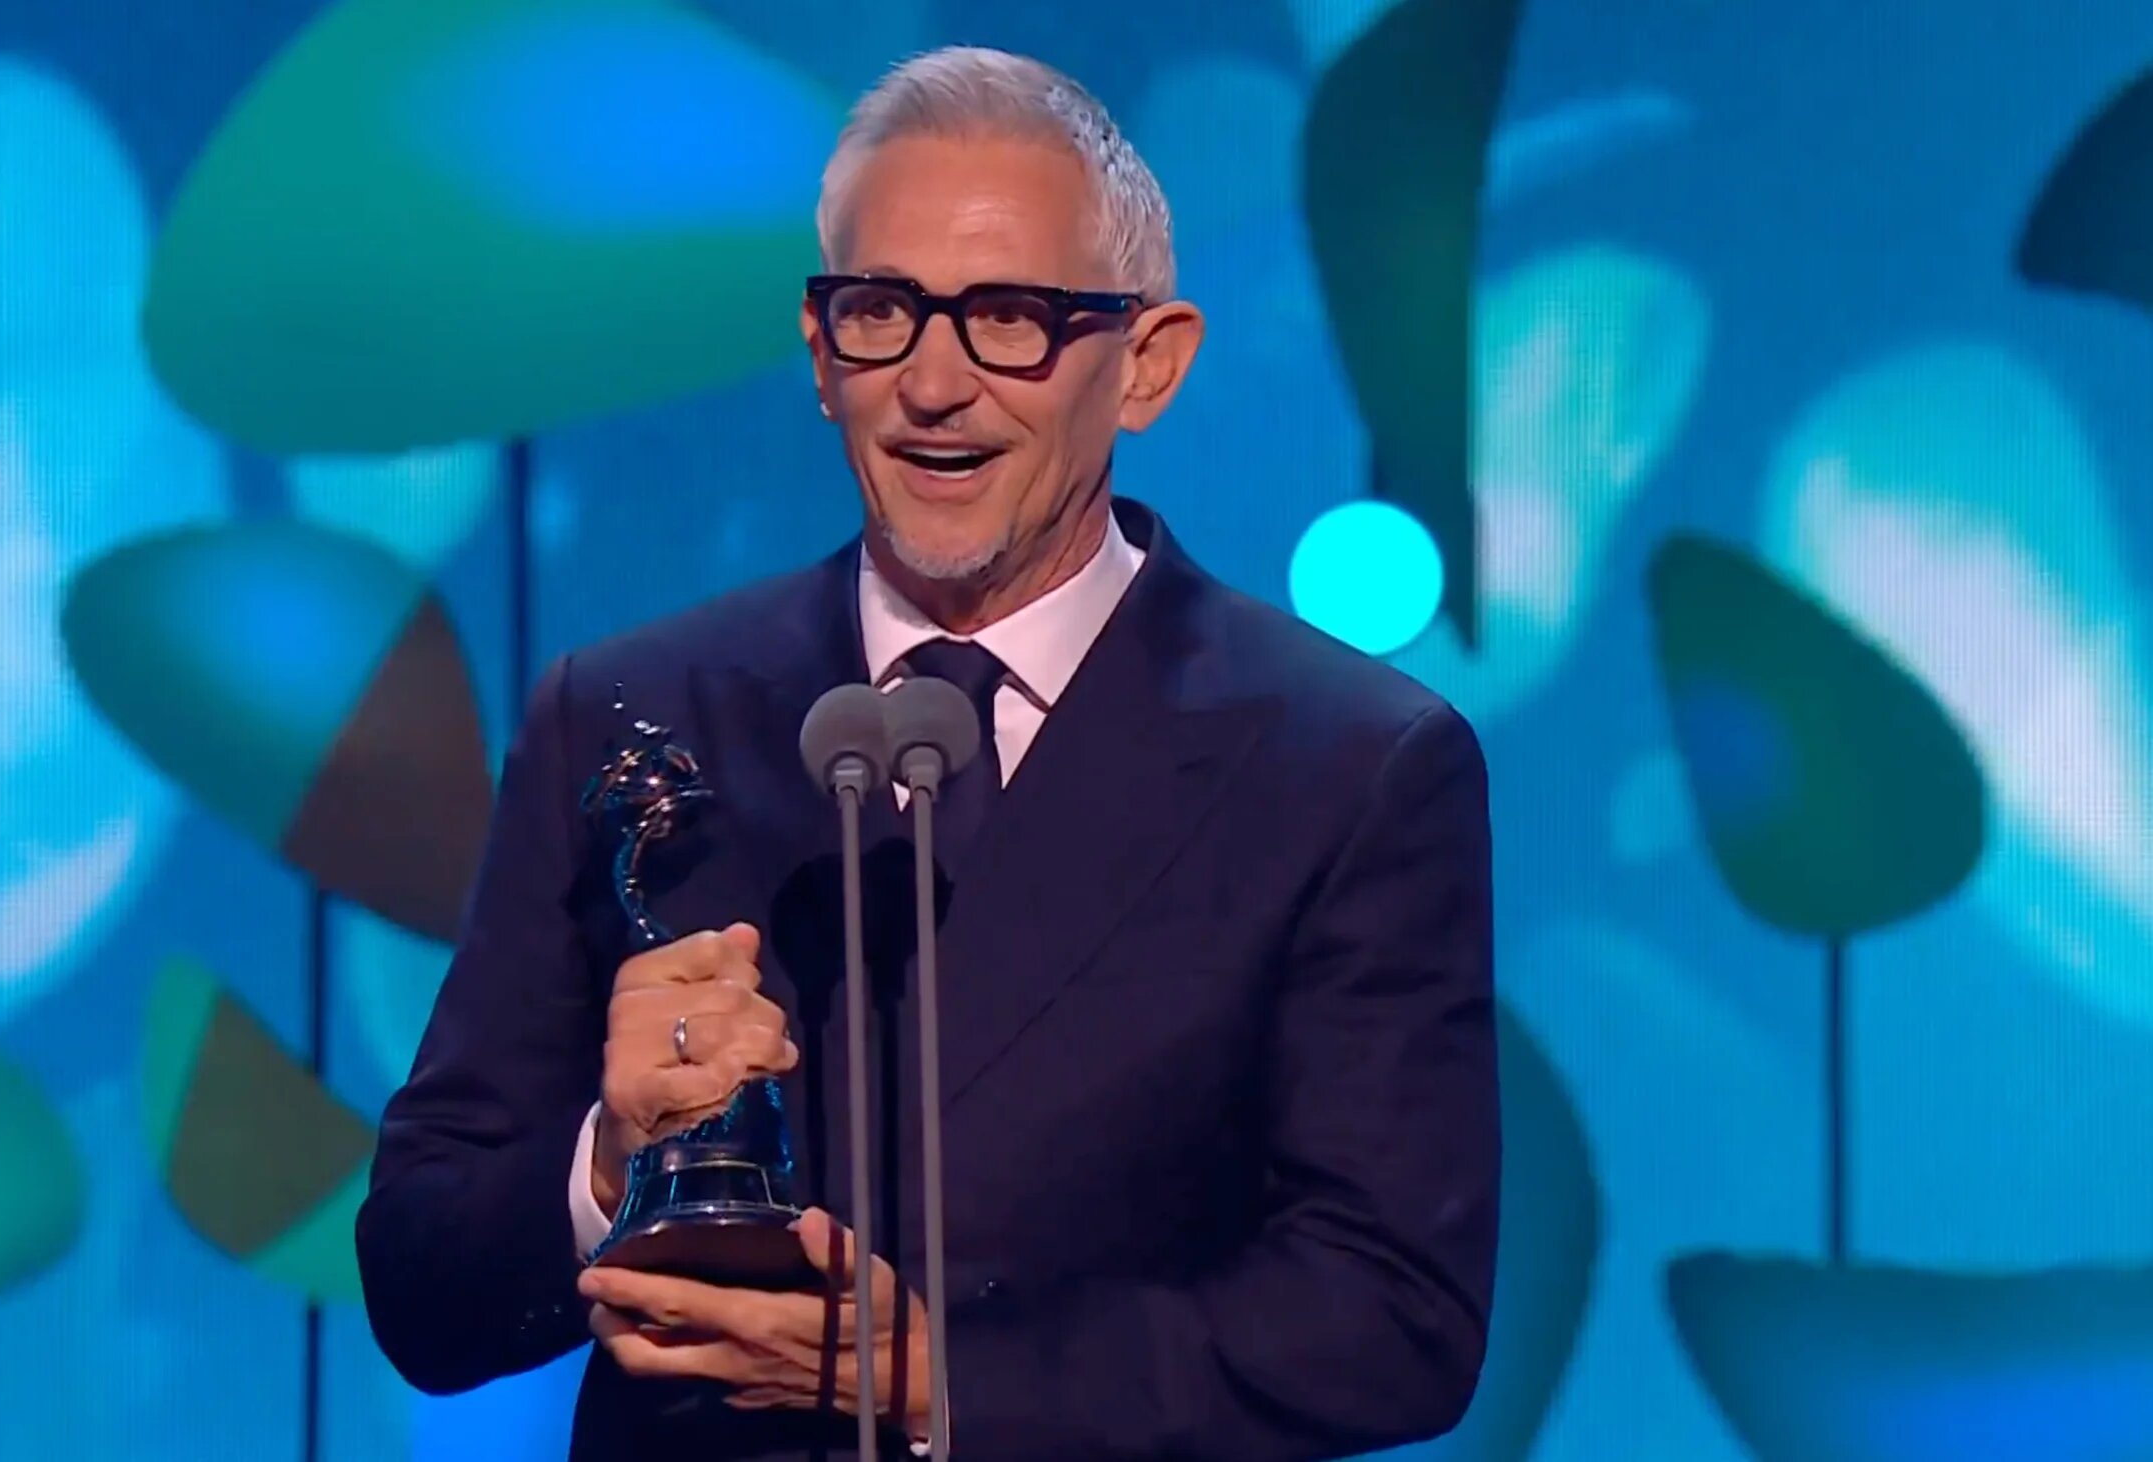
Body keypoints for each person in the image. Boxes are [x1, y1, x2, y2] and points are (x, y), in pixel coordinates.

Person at [357, 44, 1498, 1462]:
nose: (935, 383)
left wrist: (938, 1382)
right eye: (883, 313)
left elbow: (1392, 1316)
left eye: (1011, 317)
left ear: (1148, 364)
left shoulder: (1349, 765)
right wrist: (606, 1161)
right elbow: (418, 1277)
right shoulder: (632, 713)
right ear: (819, 349)